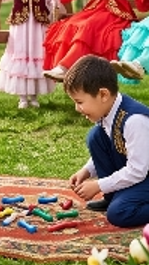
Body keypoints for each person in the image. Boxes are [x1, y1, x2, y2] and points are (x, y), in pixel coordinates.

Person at [64, 55, 149, 228]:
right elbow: (110, 145)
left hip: (145, 175)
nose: (77, 108)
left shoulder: (134, 120)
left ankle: (120, 201)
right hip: (139, 174)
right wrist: (87, 171)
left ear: (103, 94)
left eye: (80, 102)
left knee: (119, 213)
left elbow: (138, 171)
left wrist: (98, 185)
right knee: (95, 136)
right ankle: (113, 197)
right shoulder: (107, 112)